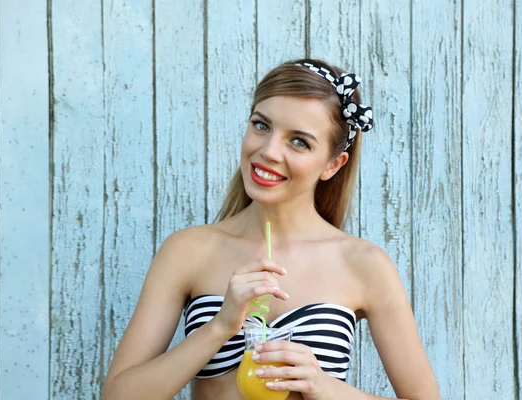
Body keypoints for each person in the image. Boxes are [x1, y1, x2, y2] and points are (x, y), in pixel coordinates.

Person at [102, 59, 440, 400]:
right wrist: (220, 327)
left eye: (299, 142)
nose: (268, 152)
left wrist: (322, 385)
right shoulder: (187, 251)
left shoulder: (364, 263)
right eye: (261, 126)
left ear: (333, 164)